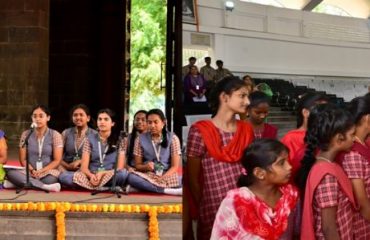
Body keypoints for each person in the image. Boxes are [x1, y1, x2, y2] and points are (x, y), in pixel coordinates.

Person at [186, 76, 254, 240]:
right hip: (213, 206)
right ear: (224, 97)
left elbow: (251, 171)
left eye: (248, 96)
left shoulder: (246, 130)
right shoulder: (200, 130)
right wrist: (205, 205)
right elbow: (193, 178)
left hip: (244, 205)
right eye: (242, 95)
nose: (248, 101)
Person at [211, 139, 299, 239]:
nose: (289, 167)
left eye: (287, 160)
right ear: (259, 173)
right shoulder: (235, 202)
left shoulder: (290, 195)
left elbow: (297, 232)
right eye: (281, 163)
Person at [296, 104, 356, 239]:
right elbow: (328, 227)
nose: (354, 139)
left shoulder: (329, 164)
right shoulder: (327, 175)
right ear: (339, 138)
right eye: (352, 134)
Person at [5, 105, 63, 192]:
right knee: (11, 173)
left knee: (51, 180)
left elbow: (57, 160)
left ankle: (18, 183)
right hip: (29, 171)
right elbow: (23, 159)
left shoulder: (55, 135)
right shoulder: (25, 134)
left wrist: (42, 171)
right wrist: (32, 170)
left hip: (47, 172)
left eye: (41, 116)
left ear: (48, 118)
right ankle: (44, 187)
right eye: (34, 116)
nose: (37, 119)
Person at [126, 109, 182, 195]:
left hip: (167, 174)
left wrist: (163, 177)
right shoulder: (140, 139)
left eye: (156, 122)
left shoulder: (173, 138)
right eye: (149, 122)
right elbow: (138, 165)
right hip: (148, 175)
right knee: (130, 177)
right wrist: (146, 167)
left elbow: (175, 167)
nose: (152, 125)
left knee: (183, 179)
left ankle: (143, 188)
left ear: (163, 123)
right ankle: (166, 190)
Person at [72, 108, 128, 190]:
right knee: (64, 177)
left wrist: (102, 173)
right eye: (100, 119)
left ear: (112, 123)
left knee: (122, 175)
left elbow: (120, 167)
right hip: (91, 174)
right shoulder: (89, 139)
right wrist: (91, 176)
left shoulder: (120, 140)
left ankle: (93, 187)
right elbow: (83, 167)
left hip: (108, 174)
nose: (102, 122)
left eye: (106, 119)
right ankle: (106, 187)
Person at [339, 95, 370, 239]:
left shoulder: (365, 144)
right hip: (364, 225)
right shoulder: (353, 154)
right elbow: (362, 203)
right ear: (367, 119)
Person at [280, 92, 328, 180]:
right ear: (305, 112)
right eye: (320, 110)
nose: (324, 115)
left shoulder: (328, 135)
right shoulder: (291, 138)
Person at [58, 104, 97, 188]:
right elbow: (57, 156)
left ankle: (71, 181)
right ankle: (74, 181)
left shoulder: (95, 134)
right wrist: (67, 166)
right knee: (58, 170)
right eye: (75, 115)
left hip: (85, 168)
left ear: (88, 118)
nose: (78, 117)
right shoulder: (66, 133)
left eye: (81, 115)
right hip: (65, 167)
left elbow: (96, 156)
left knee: (90, 170)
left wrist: (80, 161)